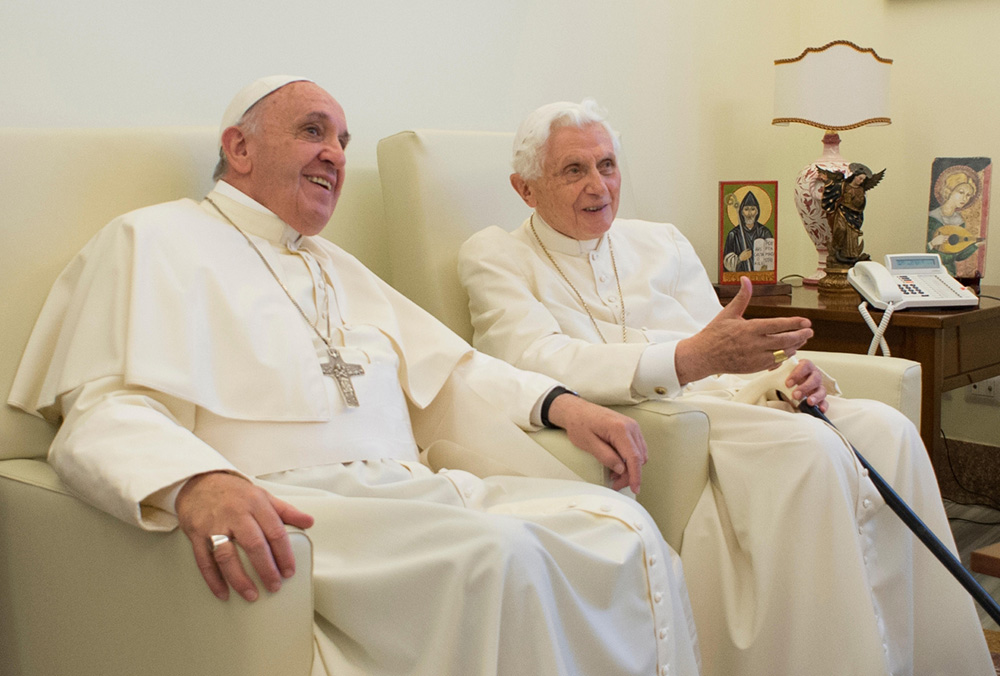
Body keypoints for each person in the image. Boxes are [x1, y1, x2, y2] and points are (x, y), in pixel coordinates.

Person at [8, 78, 702, 676]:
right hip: (298, 504)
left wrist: (561, 405)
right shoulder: (150, 240)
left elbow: (455, 374)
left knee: (620, 529)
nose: (336, 153)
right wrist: (194, 481)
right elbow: (101, 408)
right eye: (313, 131)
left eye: (342, 138)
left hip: (408, 492)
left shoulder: (336, 264)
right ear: (240, 148)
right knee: (500, 553)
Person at [457, 99, 994, 676]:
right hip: (664, 421)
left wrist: (789, 373)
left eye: (607, 165)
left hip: (729, 398)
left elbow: (723, 345)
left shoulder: (659, 240)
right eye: (574, 170)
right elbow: (534, 358)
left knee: (888, 430)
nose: (599, 185)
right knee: (810, 451)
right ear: (525, 188)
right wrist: (685, 360)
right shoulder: (496, 256)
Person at [722, 190, 772, 272]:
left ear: (757, 212)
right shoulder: (734, 234)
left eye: (752, 209)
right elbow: (726, 262)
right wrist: (739, 258)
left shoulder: (765, 232)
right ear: (741, 212)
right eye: (746, 209)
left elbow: (769, 257)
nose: (749, 213)